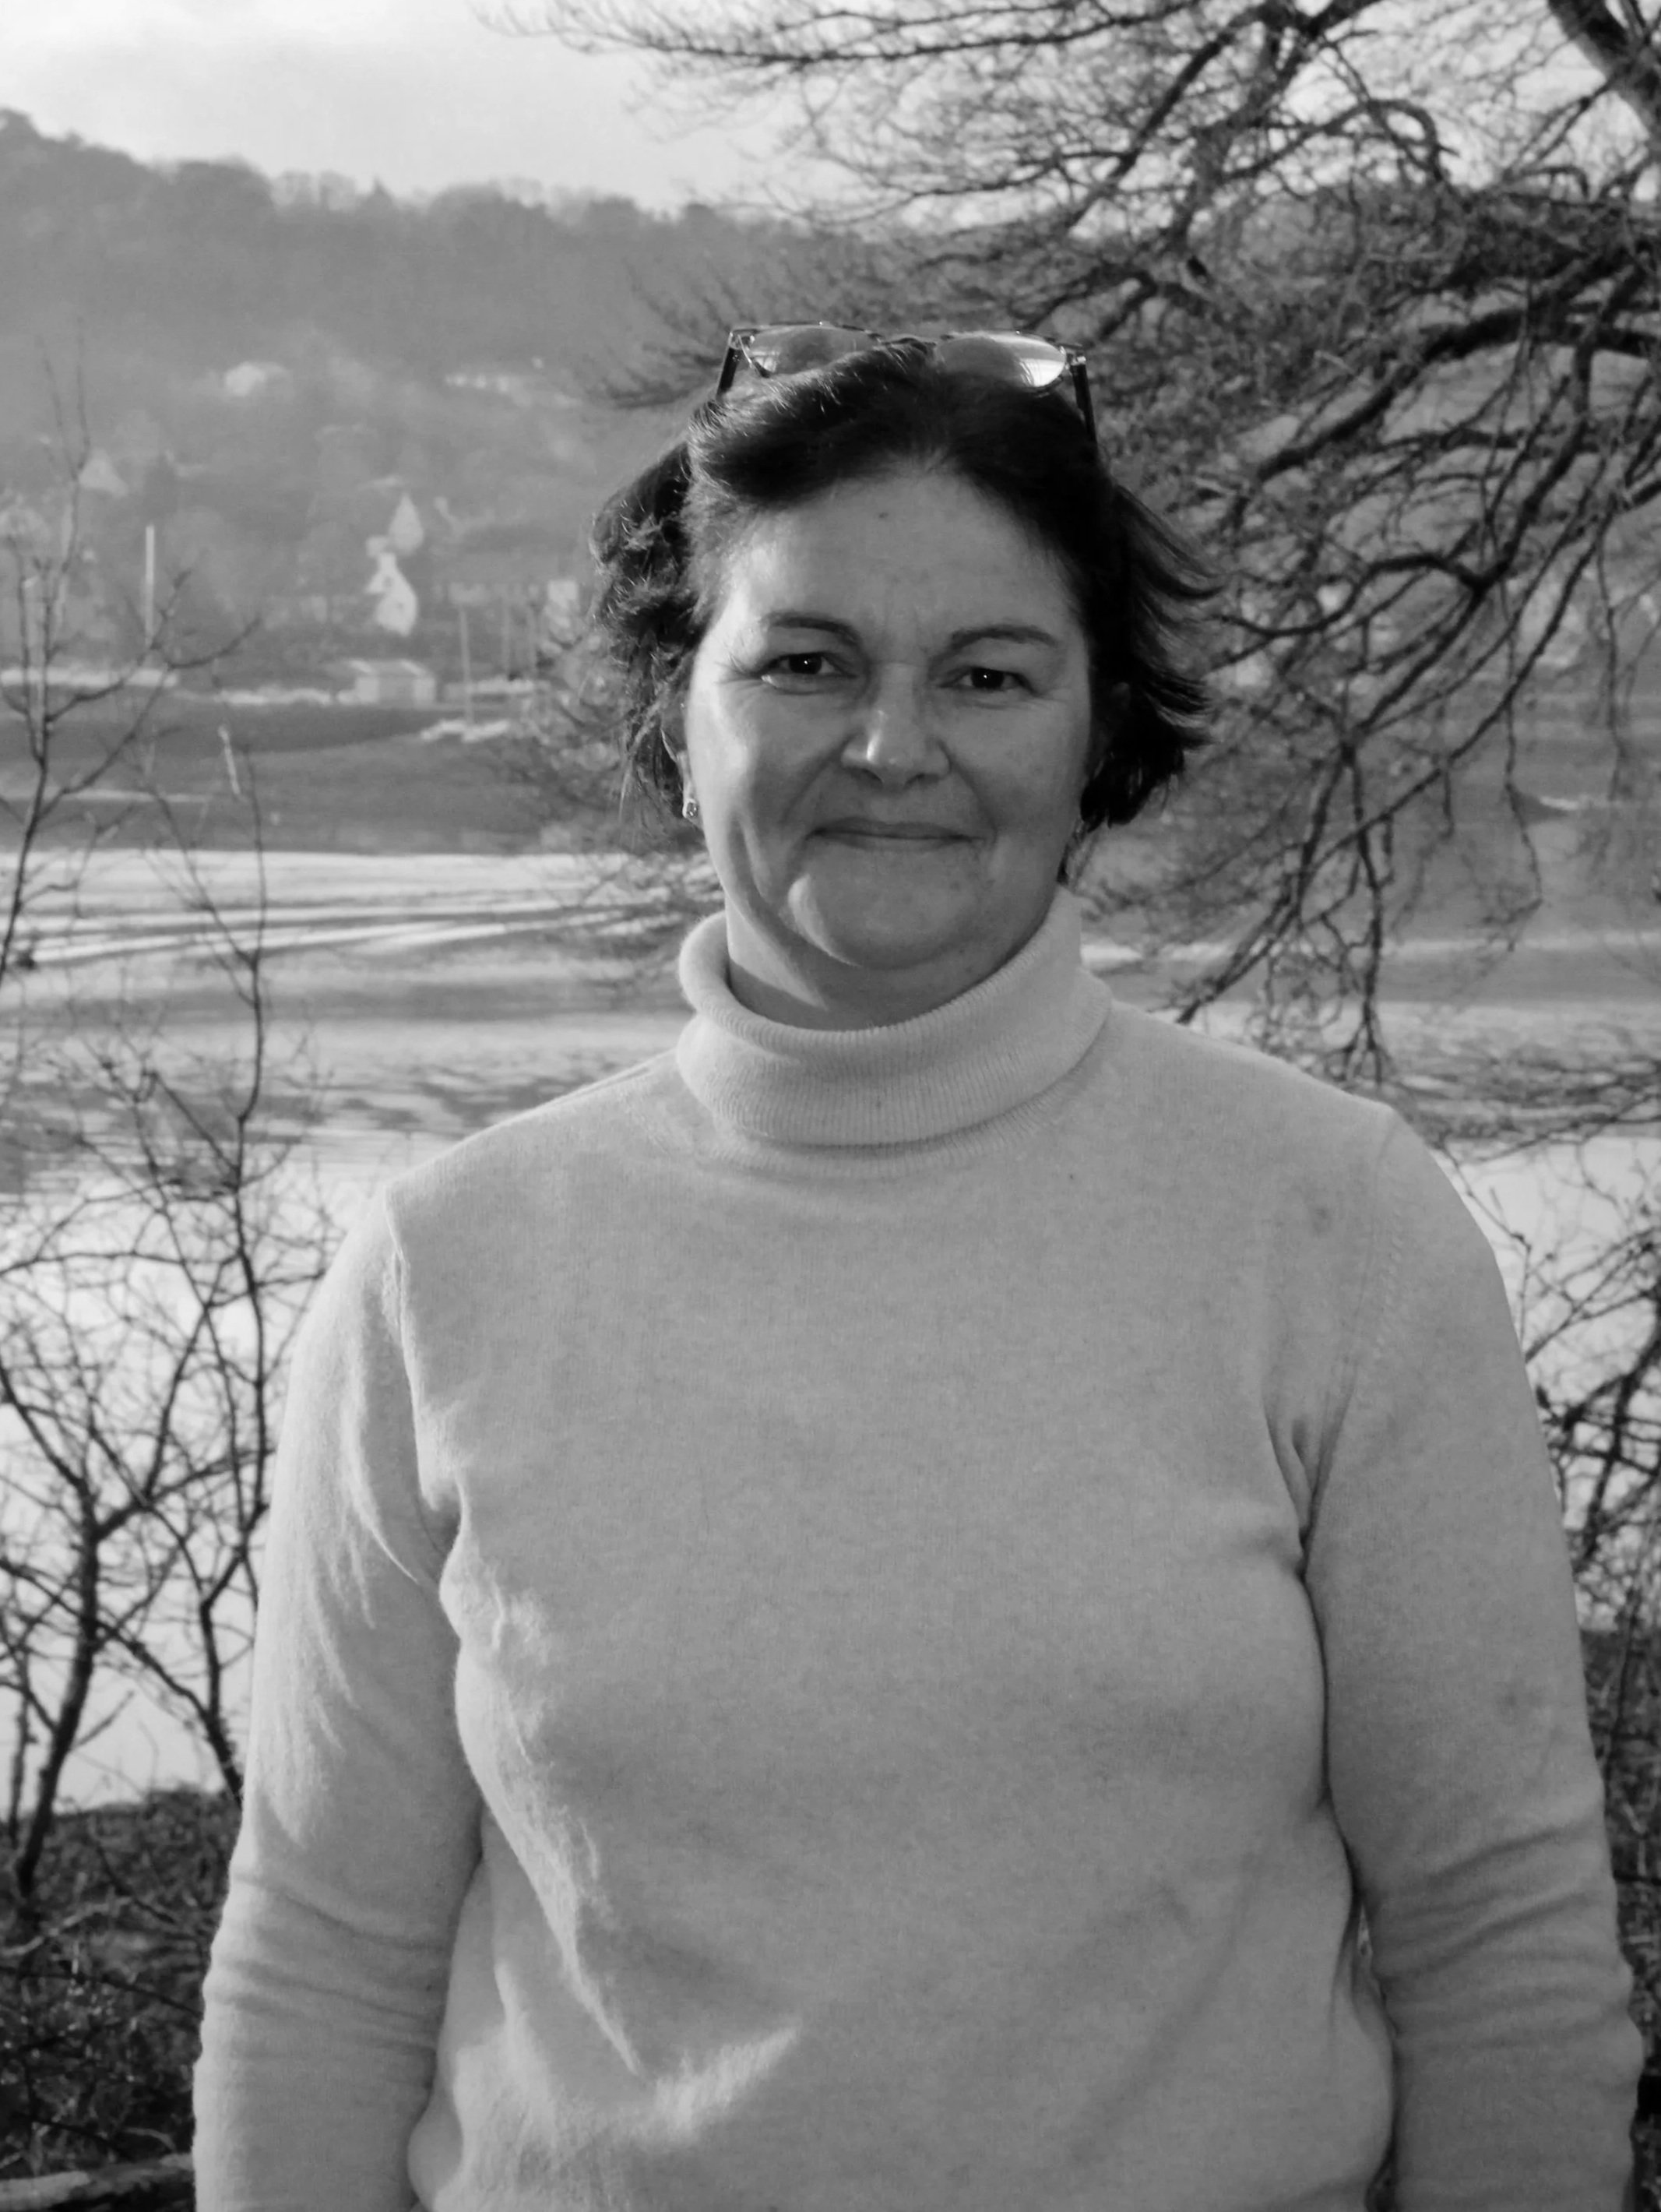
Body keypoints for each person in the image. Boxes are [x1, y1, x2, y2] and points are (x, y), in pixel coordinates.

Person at [194, 326, 1642, 2211]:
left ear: (1097, 729)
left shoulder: (1335, 1229)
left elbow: (1498, 1945)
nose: (891, 747)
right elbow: (323, 1967)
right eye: (803, 662)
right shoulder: (441, 1272)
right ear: (676, 712)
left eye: (986, 673)